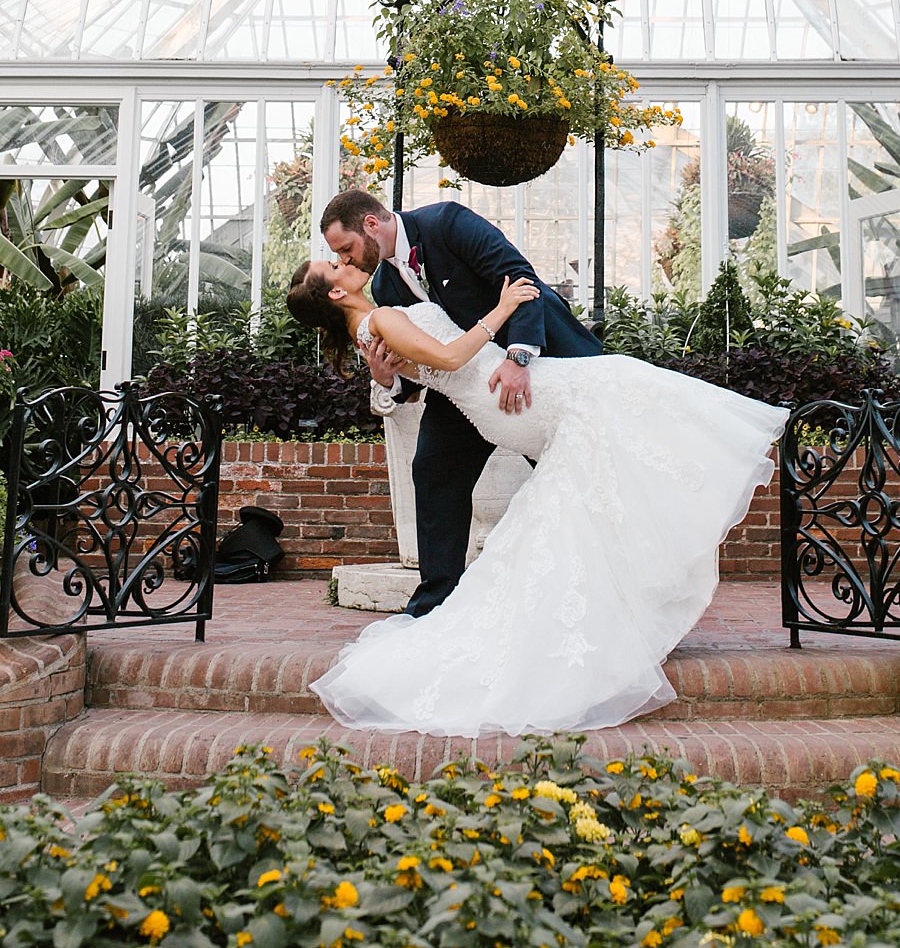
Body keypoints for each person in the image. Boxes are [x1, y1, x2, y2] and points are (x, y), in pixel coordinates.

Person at [286, 229, 786, 736]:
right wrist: (501, 311)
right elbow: (450, 358)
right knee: (626, 386)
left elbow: (421, 363)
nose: (341, 260)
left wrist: (396, 375)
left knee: (587, 485)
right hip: (499, 392)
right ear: (333, 292)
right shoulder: (383, 313)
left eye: (341, 251)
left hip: (498, 395)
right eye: (334, 262)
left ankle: (606, 611)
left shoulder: (387, 299)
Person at [318, 189, 602, 618]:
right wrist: (388, 379)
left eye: (347, 248)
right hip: (468, 388)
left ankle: (601, 591)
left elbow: (519, 277)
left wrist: (519, 357)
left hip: (542, 362)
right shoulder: (383, 283)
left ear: (371, 225)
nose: (349, 260)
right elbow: (423, 358)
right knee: (433, 470)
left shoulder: (447, 222)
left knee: (574, 477)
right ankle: (435, 606)